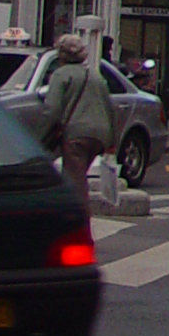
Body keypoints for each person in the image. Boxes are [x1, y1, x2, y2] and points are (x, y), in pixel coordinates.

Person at [40, 33, 117, 215]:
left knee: (74, 181)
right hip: (100, 136)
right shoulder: (95, 76)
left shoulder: (61, 74)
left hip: (76, 135)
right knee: (79, 176)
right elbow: (110, 110)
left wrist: (40, 137)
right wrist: (112, 142)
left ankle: (77, 223)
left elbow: (51, 110)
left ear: (61, 55)